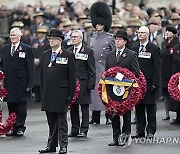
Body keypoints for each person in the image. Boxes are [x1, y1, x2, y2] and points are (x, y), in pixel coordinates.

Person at [39, 28, 76, 154]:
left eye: (54, 38)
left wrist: (71, 94)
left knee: (62, 122)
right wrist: (42, 92)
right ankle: (51, 145)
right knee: (51, 121)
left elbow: (72, 77)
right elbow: (42, 75)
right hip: (48, 92)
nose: (51, 41)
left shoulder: (68, 55)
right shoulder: (45, 54)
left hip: (61, 92)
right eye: (50, 38)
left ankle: (63, 145)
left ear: (60, 40)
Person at [106, 30, 140, 147]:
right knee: (114, 114)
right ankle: (115, 137)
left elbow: (136, 72)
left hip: (125, 90)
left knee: (126, 114)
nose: (117, 41)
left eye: (120, 39)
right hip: (112, 89)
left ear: (125, 41)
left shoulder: (131, 54)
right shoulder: (110, 55)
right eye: (116, 39)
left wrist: (122, 75)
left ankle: (125, 137)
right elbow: (106, 72)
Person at [0, 27, 34, 137]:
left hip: (22, 82)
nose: (12, 37)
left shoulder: (26, 48)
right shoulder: (5, 49)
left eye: (15, 35)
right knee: (11, 105)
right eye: (11, 35)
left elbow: (30, 67)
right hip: (9, 82)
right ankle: (12, 127)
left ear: (20, 36)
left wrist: (30, 84)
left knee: (21, 106)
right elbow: (2, 63)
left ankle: (20, 127)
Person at [131, 26, 161, 139]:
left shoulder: (153, 48)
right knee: (139, 107)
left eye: (143, 33)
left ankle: (151, 130)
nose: (140, 34)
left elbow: (157, 67)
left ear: (148, 34)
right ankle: (140, 130)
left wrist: (155, 82)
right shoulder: (134, 48)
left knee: (150, 107)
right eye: (139, 32)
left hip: (149, 81)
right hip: (137, 83)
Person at [89, 1, 116, 125]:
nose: (98, 26)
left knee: (106, 94)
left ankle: (109, 115)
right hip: (94, 69)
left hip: (104, 69)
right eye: (97, 24)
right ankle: (95, 116)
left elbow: (115, 54)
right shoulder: (92, 38)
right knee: (94, 94)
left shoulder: (110, 38)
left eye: (100, 24)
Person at [68, 30, 96, 138]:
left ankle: (84, 129)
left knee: (84, 107)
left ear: (81, 38)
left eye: (75, 37)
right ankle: (75, 129)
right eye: (72, 36)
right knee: (73, 107)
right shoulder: (69, 51)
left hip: (83, 83)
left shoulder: (88, 51)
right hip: (72, 83)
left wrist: (91, 84)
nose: (73, 38)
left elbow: (92, 69)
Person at [161, 25, 180, 123]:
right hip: (164, 71)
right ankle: (167, 113)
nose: (167, 33)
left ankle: (177, 115)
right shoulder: (164, 43)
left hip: (174, 71)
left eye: (169, 31)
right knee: (165, 93)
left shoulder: (176, 43)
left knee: (176, 93)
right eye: (166, 31)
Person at [31, 25, 50, 103]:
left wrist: (39, 60)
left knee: (42, 81)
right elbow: (31, 50)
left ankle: (43, 97)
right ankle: (37, 96)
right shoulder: (34, 41)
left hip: (43, 64)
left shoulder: (47, 43)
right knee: (35, 81)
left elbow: (47, 53)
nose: (38, 34)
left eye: (40, 33)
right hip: (34, 64)